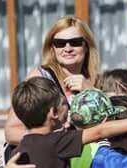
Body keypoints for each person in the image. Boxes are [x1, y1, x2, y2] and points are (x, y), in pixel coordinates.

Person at [5, 15, 100, 145]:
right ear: (52, 48)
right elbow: (11, 132)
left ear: (86, 45)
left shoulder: (96, 80)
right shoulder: (40, 77)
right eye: (60, 43)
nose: (67, 48)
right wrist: (54, 139)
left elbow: (109, 125)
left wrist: (91, 92)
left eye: (75, 42)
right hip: (45, 159)